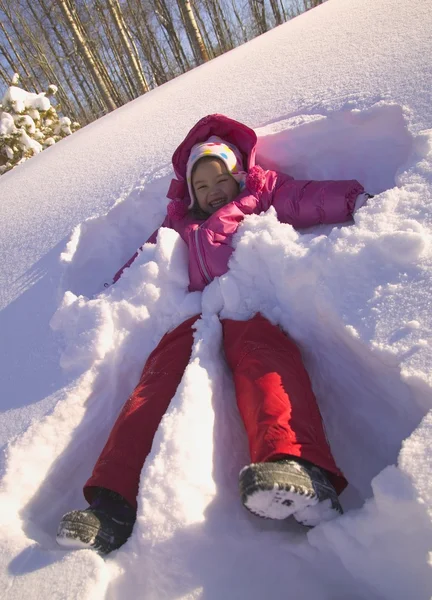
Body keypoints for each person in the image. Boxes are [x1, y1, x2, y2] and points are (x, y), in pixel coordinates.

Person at [56, 114, 370, 555]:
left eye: (219, 179)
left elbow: (307, 199)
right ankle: (111, 505)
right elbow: (142, 261)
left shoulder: (261, 197)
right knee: (153, 385)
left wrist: (355, 200)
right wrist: (111, 292)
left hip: (247, 302)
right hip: (194, 314)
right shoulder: (177, 221)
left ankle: (298, 466)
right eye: (200, 186)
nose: (211, 191)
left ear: (238, 175)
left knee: (266, 364)